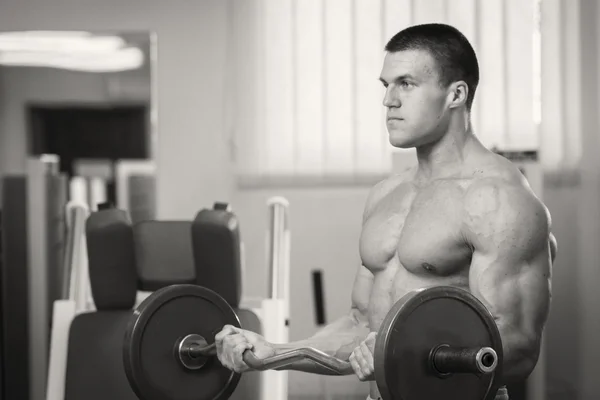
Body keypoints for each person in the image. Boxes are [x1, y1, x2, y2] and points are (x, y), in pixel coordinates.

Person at [215, 23, 557, 400]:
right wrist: (275, 352)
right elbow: (363, 327)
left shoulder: (498, 200)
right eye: (386, 85)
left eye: (406, 83)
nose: (389, 100)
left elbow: (517, 348)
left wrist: (402, 357)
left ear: (455, 94)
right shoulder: (386, 196)